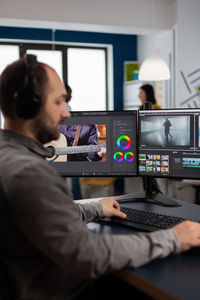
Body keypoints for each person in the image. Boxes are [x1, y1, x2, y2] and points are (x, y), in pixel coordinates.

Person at [1, 57, 200, 300]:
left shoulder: (7, 155)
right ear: (28, 105)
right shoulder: (30, 173)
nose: (66, 113)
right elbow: (89, 254)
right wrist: (173, 238)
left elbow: (39, 215)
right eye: (59, 101)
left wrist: (95, 208)